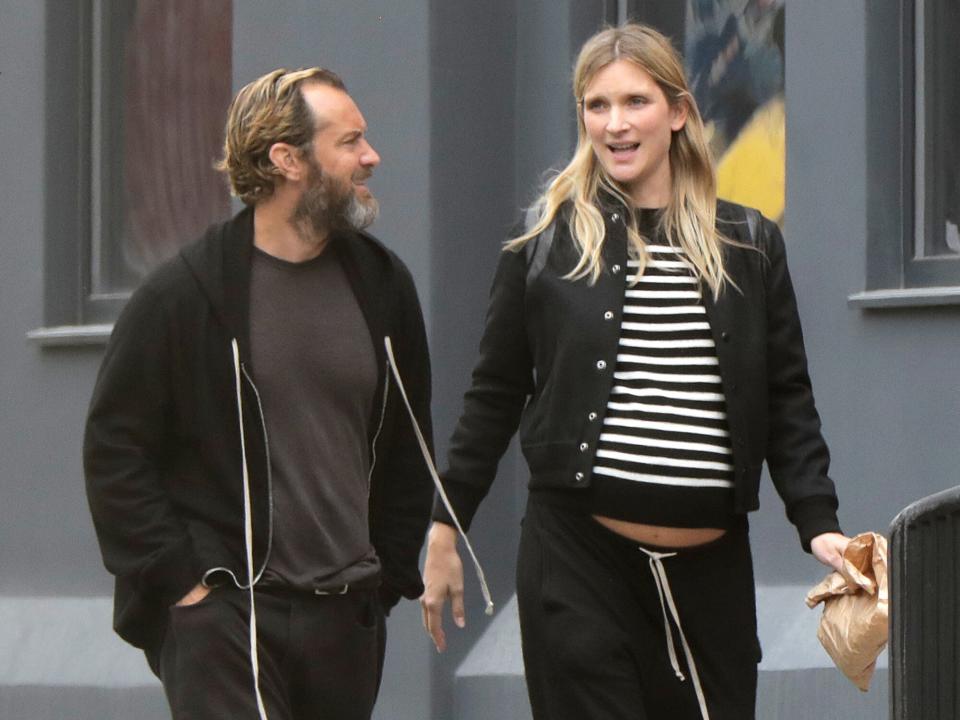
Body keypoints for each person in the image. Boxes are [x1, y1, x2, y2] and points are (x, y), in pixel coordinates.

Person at [421, 24, 849, 720]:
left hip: (711, 571)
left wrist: (818, 520)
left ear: (678, 112)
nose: (615, 124)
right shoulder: (546, 241)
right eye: (596, 105)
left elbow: (786, 397)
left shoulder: (748, 243)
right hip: (579, 560)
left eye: (635, 102)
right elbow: (494, 394)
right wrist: (448, 524)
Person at [84, 67, 434, 720]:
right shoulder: (184, 296)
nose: (371, 157)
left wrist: (386, 580)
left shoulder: (383, 285)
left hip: (347, 620)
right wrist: (184, 587)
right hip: (228, 614)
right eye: (350, 141)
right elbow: (114, 449)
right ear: (287, 159)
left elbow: (409, 445)